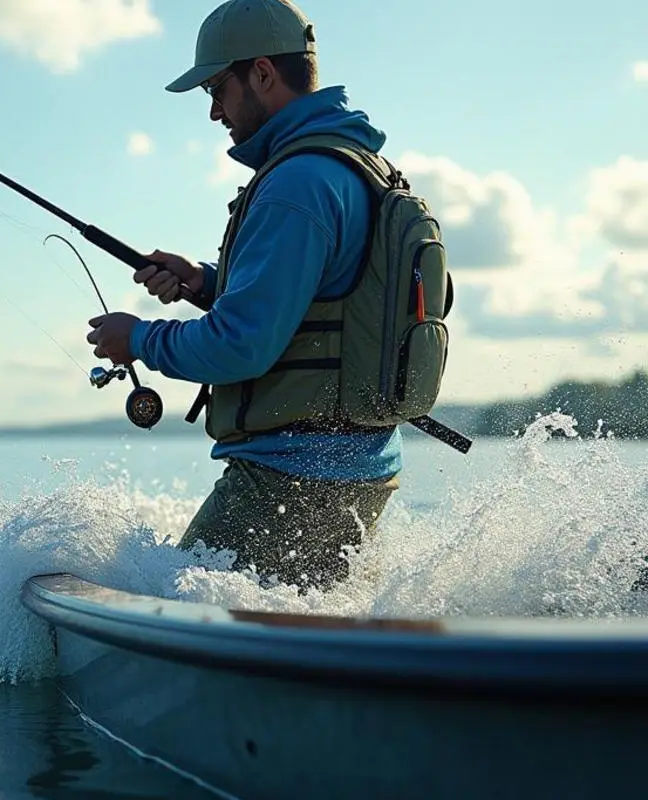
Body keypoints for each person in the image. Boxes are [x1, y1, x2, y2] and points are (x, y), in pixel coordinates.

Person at [86, 0, 452, 593]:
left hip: (287, 485)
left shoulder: (296, 184)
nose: (212, 111)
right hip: (359, 475)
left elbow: (242, 345)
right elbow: (325, 297)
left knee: (178, 631)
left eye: (216, 88)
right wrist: (206, 281)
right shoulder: (353, 164)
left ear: (261, 73)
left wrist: (140, 338)